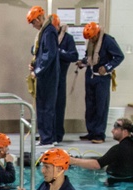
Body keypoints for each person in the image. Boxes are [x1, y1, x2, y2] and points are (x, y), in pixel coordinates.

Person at [70, 118, 133, 185]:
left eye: (116, 128)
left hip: (114, 186)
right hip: (132, 185)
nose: (112, 131)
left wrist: (73, 161)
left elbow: (96, 165)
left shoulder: (118, 149)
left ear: (125, 131)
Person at [77, 22, 125, 144]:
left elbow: (119, 56)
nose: (91, 40)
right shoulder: (91, 43)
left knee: (101, 106)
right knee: (90, 106)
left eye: (93, 37)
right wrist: (83, 63)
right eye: (89, 38)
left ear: (97, 33)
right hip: (90, 75)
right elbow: (89, 58)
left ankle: (99, 134)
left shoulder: (108, 40)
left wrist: (107, 67)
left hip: (102, 79)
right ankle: (91, 131)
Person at [27, 6, 59, 147]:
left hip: (48, 76)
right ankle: (45, 136)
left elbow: (49, 55)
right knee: (42, 106)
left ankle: (47, 138)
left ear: (39, 19)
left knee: (46, 107)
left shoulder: (49, 31)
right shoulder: (44, 31)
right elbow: (41, 53)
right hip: (45, 75)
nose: (33, 26)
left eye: (34, 22)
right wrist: (35, 65)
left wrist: (38, 71)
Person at [54, 15, 80, 144]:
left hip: (60, 77)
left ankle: (58, 134)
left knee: (59, 106)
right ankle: (47, 133)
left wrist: (58, 52)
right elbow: (34, 49)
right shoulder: (46, 36)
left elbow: (74, 56)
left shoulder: (68, 39)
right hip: (47, 77)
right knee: (46, 108)